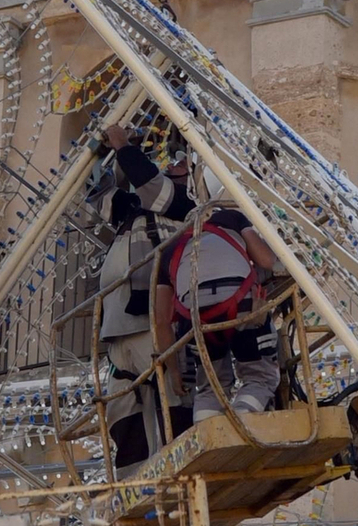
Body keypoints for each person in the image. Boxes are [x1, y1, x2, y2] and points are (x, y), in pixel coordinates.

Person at [94, 124, 190, 467]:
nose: (171, 165)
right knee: (124, 408)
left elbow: (154, 190)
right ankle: (132, 483)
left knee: (168, 403)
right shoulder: (135, 210)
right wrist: (105, 154)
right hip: (119, 326)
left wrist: (124, 147)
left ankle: (179, 473)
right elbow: (99, 196)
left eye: (180, 162)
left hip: (156, 319)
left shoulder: (186, 205)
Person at [166, 190, 283, 424]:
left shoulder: (170, 247)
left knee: (211, 385)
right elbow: (267, 261)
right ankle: (243, 419)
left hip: (197, 317)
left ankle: (208, 431)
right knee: (260, 377)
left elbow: (161, 319)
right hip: (240, 303)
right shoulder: (231, 218)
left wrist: (174, 371)